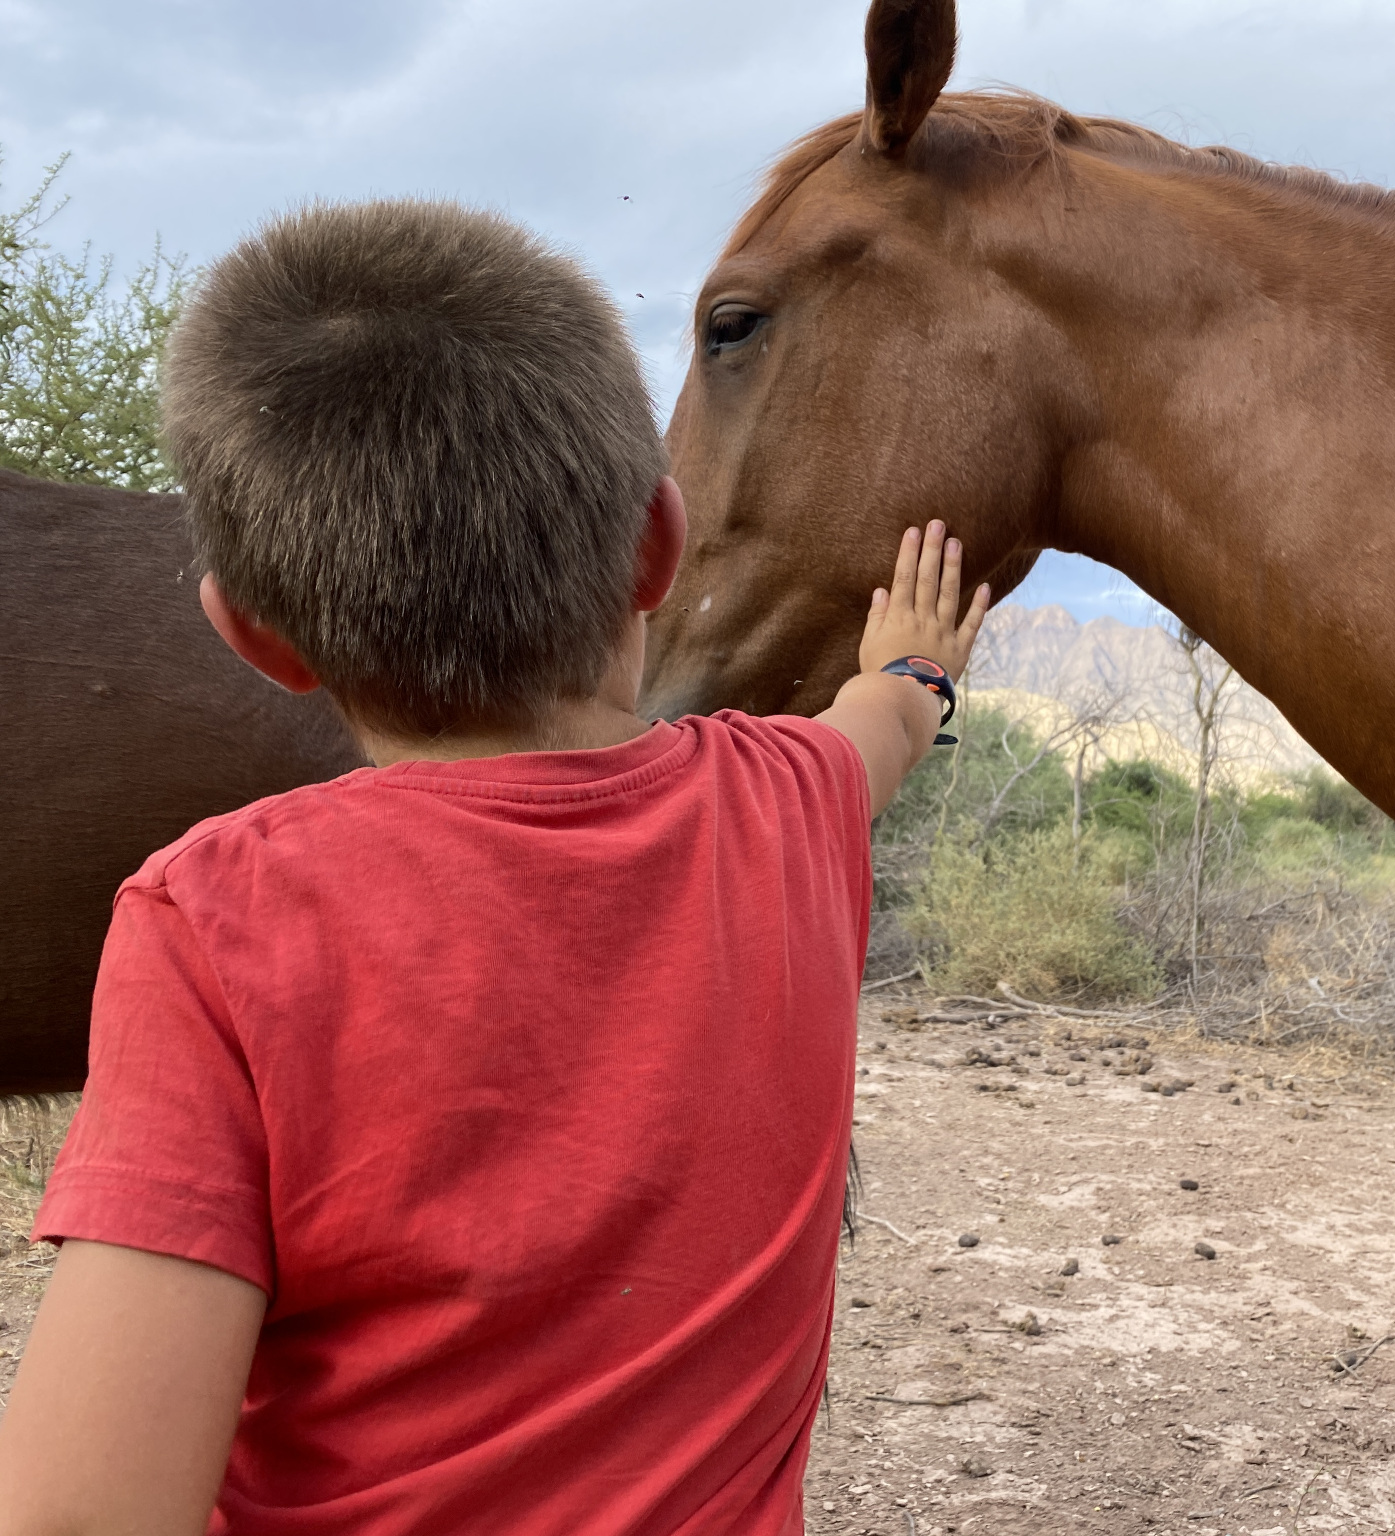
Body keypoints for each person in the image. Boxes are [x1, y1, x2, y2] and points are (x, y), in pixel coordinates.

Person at [0, 199, 988, 1536]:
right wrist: (917, 663)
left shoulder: (211, 921)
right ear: (658, 544)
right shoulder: (787, 802)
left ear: (251, 636)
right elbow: (886, 720)